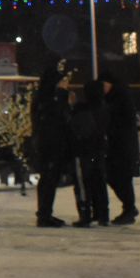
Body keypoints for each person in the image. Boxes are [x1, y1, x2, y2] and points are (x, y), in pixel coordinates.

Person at [30, 65, 76, 228]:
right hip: (50, 144)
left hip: (47, 143)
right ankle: (44, 215)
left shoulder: (43, 96)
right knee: (49, 179)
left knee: (48, 179)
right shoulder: (50, 98)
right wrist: (63, 97)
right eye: (63, 81)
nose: (66, 84)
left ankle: (45, 213)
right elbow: (59, 118)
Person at [96, 69, 140, 224]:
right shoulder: (111, 99)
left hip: (122, 148)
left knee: (122, 179)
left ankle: (129, 208)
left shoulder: (120, 99)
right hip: (116, 147)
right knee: (115, 177)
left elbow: (121, 123)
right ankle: (129, 207)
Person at [67, 80, 110, 228]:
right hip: (98, 150)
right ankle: (103, 214)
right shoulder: (104, 108)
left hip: (83, 151)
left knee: (83, 183)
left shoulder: (82, 110)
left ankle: (85, 214)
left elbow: (77, 130)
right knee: (99, 182)